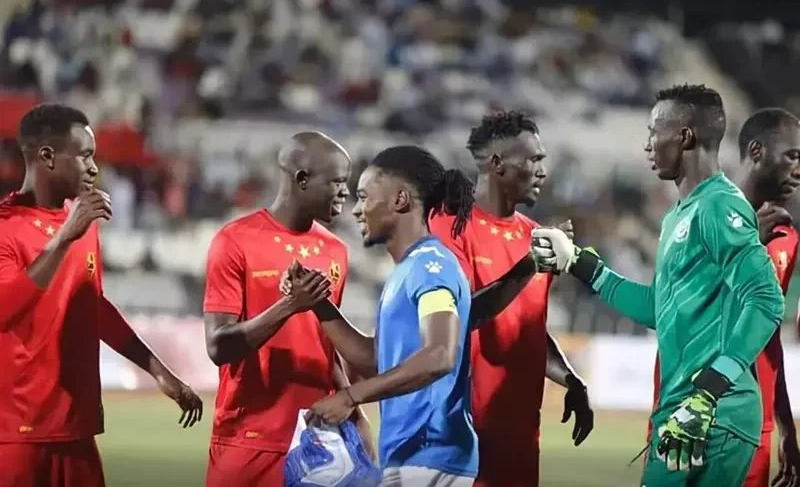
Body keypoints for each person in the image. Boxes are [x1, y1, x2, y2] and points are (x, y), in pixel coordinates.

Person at [534, 85, 785, 486]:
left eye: (654, 131)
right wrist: (579, 263)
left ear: (684, 136)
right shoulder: (679, 215)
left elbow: (766, 299)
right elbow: (659, 308)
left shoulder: (720, 204)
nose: (648, 144)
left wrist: (711, 388)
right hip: (685, 410)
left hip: (713, 413)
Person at [0, 104, 203, 487]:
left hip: (78, 429)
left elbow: (93, 306)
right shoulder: (6, 227)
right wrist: (64, 238)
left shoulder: (82, 224)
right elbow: (6, 310)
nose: (95, 168)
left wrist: (160, 372)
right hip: (18, 435)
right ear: (47, 156)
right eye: (85, 156)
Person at [427, 111, 593, 487]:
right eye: (534, 159)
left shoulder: (535, 236)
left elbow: (525, 328)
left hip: (521, 439)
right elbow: (458, 317)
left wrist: (572, 380)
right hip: (459, 441)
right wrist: (528, 264)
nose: (543, 171)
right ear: (497, 163)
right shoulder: (449, 226)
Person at [298, 145, 479, 486]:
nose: (356, 210)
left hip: (431, 455)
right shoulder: (406, 270)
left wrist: (350, 397)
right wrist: (317, 303)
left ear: (400, 199)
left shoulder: (431, 266)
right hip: (411, 456)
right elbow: (376, 361)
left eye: (364, 197)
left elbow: (440, 355)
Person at [202, 131, 374, 487]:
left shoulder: (336, 251)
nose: (345, 192)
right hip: (246, 437)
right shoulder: (235, 241)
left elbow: (323, 345)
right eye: (337, 182)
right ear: (302, 178)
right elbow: (218, 346)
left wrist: (354, 410)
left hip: (315, 441)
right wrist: (289, 306)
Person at [644, 108, 800, 487]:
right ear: (757, 151)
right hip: (691, 409)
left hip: (752, 423)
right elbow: (672, 312)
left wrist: (785, 426)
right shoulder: (702, 212)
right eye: (793, 156)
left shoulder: (788, 238)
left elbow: (769, 337)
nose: (798, 170)